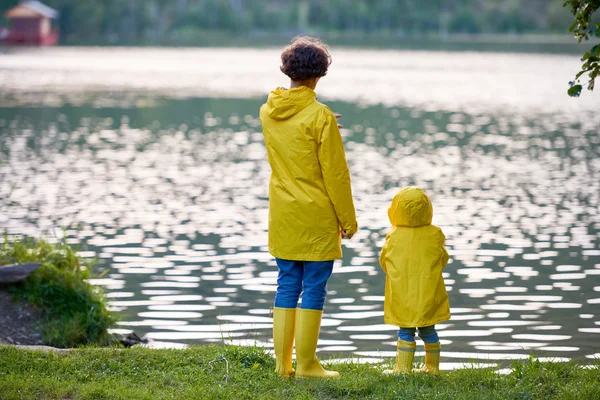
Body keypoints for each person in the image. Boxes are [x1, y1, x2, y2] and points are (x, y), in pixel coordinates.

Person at [259, 36, 358, 379]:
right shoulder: (320, 117)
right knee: (314, 286)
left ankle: (282, 366)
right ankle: (307, 365)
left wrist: (326, 123)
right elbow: (336, 175)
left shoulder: (268, 111)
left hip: (284, 214)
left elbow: (293, 138)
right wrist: (348, 221)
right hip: (315, 216)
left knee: (287, 282)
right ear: (319, 76)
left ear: (287, 70)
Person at [379, 186, 450, 375]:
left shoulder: (393, 236)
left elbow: (385, 261)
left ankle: (403, 368)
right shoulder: (435, 234)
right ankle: (433, 367)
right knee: (428, 329)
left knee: (406, 330)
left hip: (403, 293)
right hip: (428, 291)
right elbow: (443, 259)